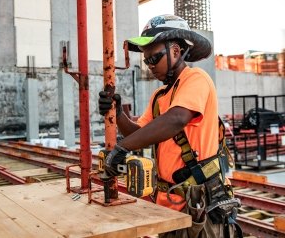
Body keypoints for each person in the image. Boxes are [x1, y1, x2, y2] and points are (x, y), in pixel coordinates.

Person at [98, 14, 242, 238]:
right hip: (169, 206)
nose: (150, 66)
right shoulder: (159, 96)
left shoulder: (196, 79)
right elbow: (139, 133)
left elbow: (176, 119)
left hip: (199, 205)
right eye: (147, 61)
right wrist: (118, 115)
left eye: (154, 58)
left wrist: (121, 147)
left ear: (175, 51)